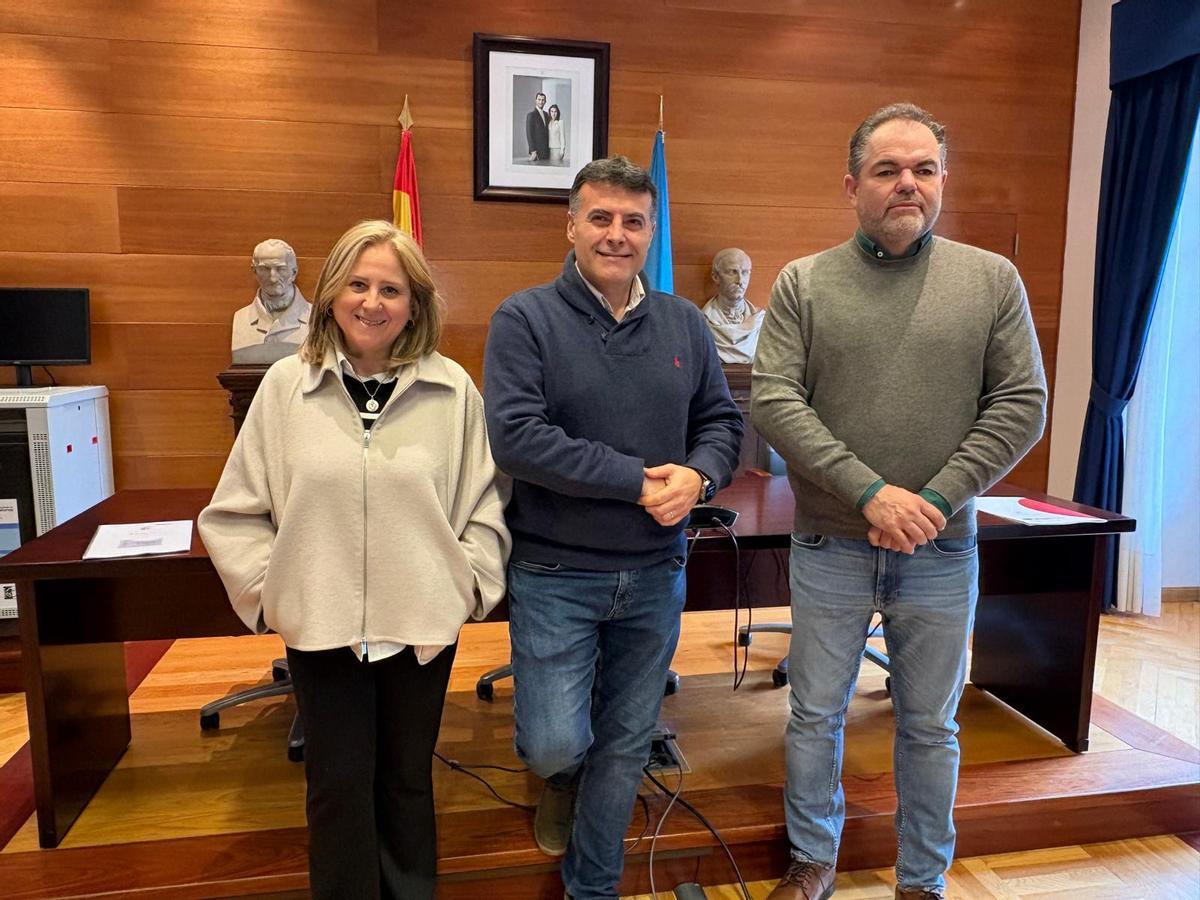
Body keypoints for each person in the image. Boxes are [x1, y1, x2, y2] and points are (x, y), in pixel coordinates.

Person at [751, 103, 1047, 900]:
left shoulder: (991, 280)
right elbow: (775, 401)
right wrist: (871, 492)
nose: (906, 184)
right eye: (887, 170)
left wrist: (936, 499)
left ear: (943, 181)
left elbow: (1022, 404)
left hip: (943, 548)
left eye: (922, 169)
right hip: (831, 544)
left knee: (931, 725)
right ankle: (813, 860)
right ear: (853, 185)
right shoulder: (803, 283)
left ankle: (922, 880)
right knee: (815, 715)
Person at [198, 220, 510, 900]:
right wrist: (273, 594)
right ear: (332, 292)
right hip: (321, 626)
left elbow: (486, 505)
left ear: (414, 303)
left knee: (405, 781)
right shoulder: (285, 386)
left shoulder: (453, 390)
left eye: (391, 289)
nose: (373, 302)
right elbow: (234, 513)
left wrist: (467, 587)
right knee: (336, 788)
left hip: (421, 624)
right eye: (359, 284)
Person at [483, 156, 743, 900]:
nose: (616, 234)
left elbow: (722, 421)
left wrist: (700, 476)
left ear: (651, 231)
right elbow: (518, 438)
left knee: (627, 742)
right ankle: (562, 777)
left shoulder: (684, 324)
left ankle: (591, 887)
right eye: (600, 218)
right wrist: (636, 482)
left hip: (657, 571)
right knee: (554, 741)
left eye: (633, 221)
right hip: (556, 572)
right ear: (571, 226)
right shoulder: (524, 318)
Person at [230, 238, 311, 362]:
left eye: (281, 269)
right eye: (265, 269)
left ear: (294, 273)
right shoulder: (241, 318)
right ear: (254, 271)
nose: (273, 278)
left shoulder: (315, 318)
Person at [701, 247, 763, 364]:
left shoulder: (761, 322)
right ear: (715, 277)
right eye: (732, 272)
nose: (740, 280)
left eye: (745, 272)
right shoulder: (703, 322)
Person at [526, 92, 551, 162]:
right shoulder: (531, 115)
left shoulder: (546, 115)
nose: (541, 102)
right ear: (536, 100)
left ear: (545, 102)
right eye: (539, 99)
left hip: (546, 152)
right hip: (536, 152)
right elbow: (529, 134)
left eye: (543, 100)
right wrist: (533, 151)